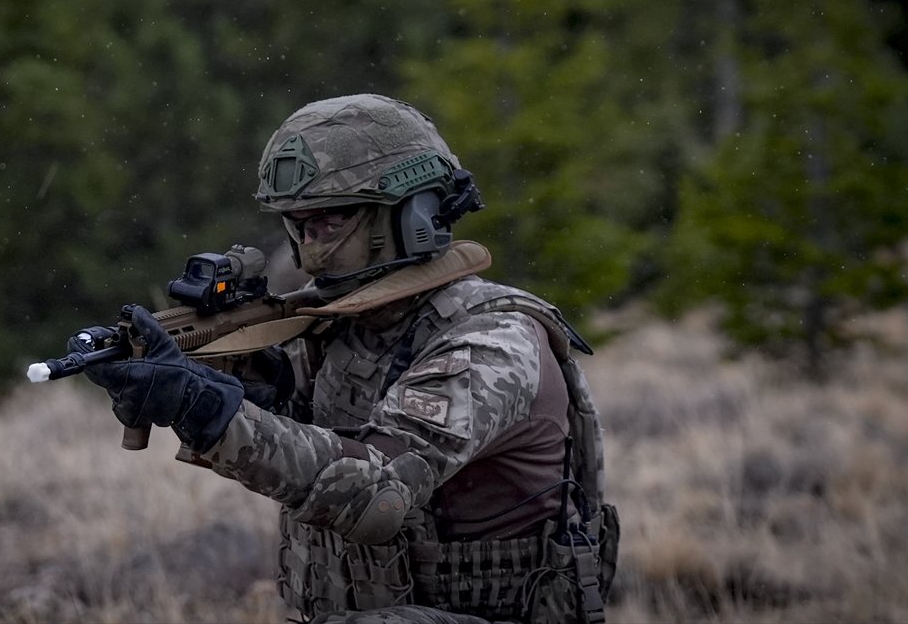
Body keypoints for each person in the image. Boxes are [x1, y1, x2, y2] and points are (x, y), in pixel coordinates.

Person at [75, 95, 618, 623]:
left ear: (413, 215)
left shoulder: (494, 340)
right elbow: (323, 444)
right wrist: (256, 392)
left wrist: (208, 411)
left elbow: (378, 494)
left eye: (329, 222)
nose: (309, 245)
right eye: (298, 223)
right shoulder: (347, 323)